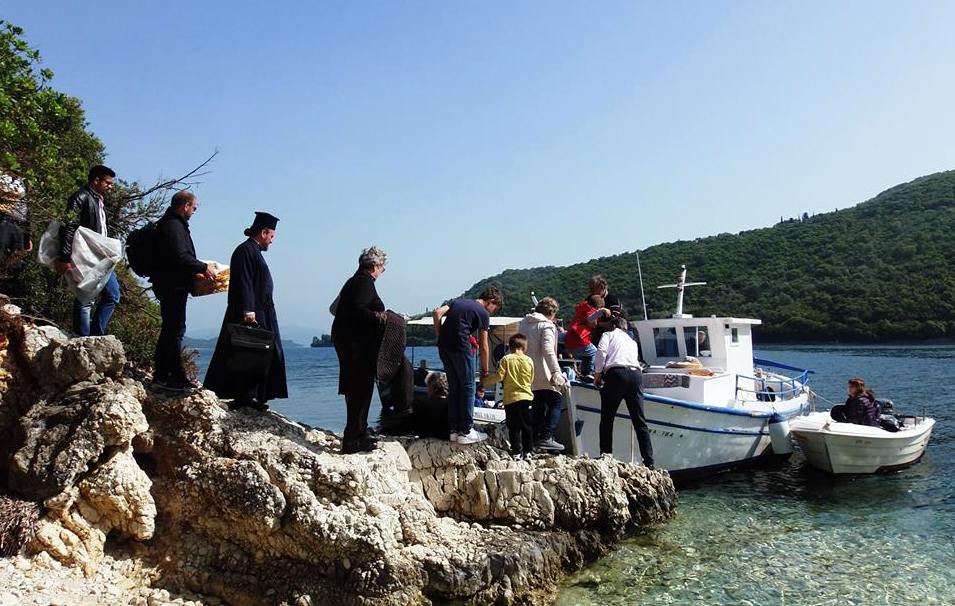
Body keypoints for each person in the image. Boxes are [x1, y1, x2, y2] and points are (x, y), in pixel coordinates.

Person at [204, 212, 288, 410]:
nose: (272, 241)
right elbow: (244, 283)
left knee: (261, 353)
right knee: (248, 354)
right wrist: (248, 310)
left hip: (262, 310)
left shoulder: (253, 251)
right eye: (272, 236)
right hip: (251, 312)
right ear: (263, 233)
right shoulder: (245, 251)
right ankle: (245, 396)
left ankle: (254, 395)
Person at [150, 190, 215, 391]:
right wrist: (203, 267)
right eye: (194, 207)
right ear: (185, 206)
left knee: (173, 329)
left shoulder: (170, 224)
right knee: (174, 330)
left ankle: (170, 375)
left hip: (170, 284)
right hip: (173, 285)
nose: (194, 211)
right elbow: (180, 256)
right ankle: (167, 376)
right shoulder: (173, 226)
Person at [332, 246, 388, 454]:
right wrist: (380, 316)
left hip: (347, 340)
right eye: (382, 267)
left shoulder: (353, 281)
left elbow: (338, 309)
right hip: (357, 344)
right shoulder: (365, 282)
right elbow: (359, 310)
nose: (382, 272)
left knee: (356, 388)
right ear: (374, 266)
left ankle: (358, 432)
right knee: (360, 389)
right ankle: (353, 438)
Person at [432, 287, 504, 444]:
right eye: (495, 308)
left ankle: (454, 430)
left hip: (444, 347)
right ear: (491, 301)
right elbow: (484, 346)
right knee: (468, 387)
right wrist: (485, 371)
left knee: (455, 387)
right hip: (461, 348)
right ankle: (465, 431)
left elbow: (437, 313)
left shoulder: (458, 302)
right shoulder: (483, 313)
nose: (492, 312)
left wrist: (441, 336)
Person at [55, 165, 120, 336]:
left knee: (112, 295)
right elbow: (69, 226)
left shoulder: (99, 201)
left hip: (102, 256)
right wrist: (65, 257)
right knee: (85, 297)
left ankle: (97, 336)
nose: (110, 186)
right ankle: (82, 338)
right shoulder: (81, 196)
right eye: (107, 182)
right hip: (85, 254)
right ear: (96, 180)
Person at [594, 316, 654, 469]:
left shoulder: (608, 334)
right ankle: (649, 462)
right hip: (636, 375)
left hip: (617, 374)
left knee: (607, 418)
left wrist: (598, 373)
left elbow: (601, 351)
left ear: (613, 326)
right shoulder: (632, 341)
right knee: (639, 421)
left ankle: (606, 455)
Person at [519, 296, 568, 452]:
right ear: (552, 313)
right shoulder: (546, 325)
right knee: (556, 401)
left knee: (538, 404)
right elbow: (548, 350)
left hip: (528, 371)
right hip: (544, 371)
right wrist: (556, 371)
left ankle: (534, 440)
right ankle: (546, 437)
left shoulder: (524, 323)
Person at [482, 334, 535, 457]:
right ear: (524, 347)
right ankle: (528, 451)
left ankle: (516, 452)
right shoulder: (529, 360)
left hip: (511, 399)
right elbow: (531, 379)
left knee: (514, 427)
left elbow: (499, 376)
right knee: (527, 426)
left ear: (510, 347)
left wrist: (485, 381)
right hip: (526, 397)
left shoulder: (506, 359)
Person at [564, 293, 610, 377]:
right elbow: (590, 319)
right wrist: (601, 311)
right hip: (579, 339)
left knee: (587, 355)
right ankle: (590, 373)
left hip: (570, 340)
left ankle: (585, 373)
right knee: (595, 352)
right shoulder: (589, 310)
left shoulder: (582, 309)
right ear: (598, 306)